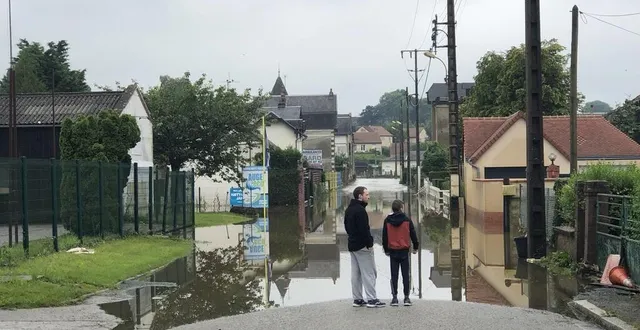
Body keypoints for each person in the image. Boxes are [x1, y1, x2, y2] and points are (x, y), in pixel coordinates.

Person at [344, 186, 385, 308]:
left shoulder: (349, 210)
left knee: (355, 273)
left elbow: (347, 227)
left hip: (352, 244)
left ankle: (357, 299)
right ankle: (372, 299)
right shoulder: (360, 211)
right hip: (363, 246)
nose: (369, 196)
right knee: (369, 272)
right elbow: (364, 230)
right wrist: (369, 243)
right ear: (360, 196)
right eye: (367, 194)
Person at [382, 199, 419, 307]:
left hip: (393, 251)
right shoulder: (407, 220)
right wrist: (415, 247)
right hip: (404, 250)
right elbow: (413, 234)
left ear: (392, 209)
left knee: (394, 275)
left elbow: (385, 236)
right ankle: (406, 298)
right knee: (405, 275)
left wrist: (386, 249)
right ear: (401, 208)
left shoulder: (387, 220)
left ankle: (394, 298)